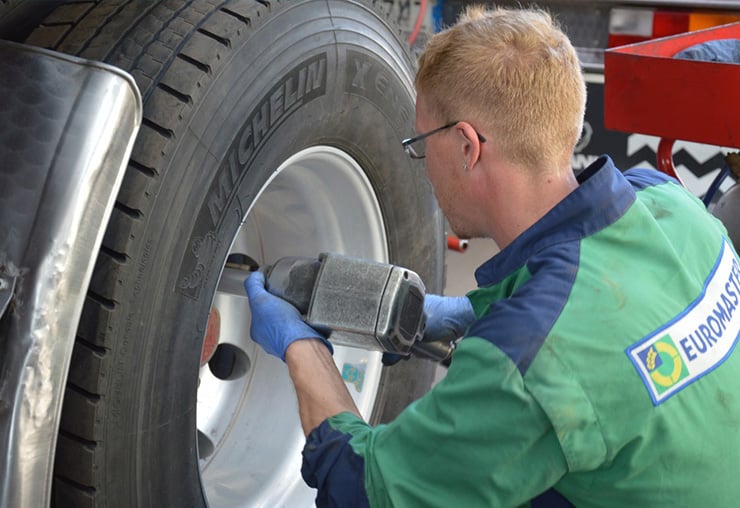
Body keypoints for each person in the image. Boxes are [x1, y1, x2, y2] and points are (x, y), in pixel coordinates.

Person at [245, 6, 740, 507]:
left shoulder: (528, 361)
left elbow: (362, 489)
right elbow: (607, 305)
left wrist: (302, 348)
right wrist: (473, 312)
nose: (422, 164)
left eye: (420, 144)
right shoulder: (672, 204)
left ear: (466, 146)